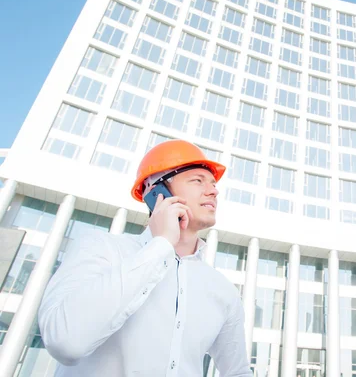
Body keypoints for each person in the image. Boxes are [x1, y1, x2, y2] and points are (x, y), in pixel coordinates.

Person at [38, 140, 252, 376]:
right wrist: (161, 246)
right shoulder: (101, 248)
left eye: (212, 183)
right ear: (156, 192)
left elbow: (238, 372)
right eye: (197, 181)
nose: (213, 190)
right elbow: (65, 341)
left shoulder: (222, 290)